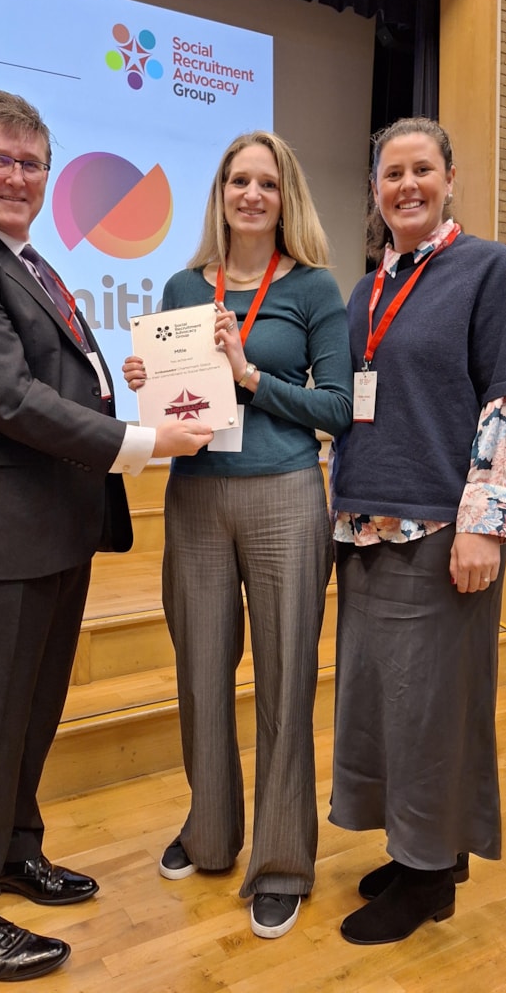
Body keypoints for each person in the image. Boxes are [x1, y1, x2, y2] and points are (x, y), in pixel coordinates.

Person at [0, 89, 212, 982]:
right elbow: (6, 397)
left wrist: (148, 388)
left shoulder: (32, 262)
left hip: (53, 530)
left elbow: (67, 382)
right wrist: (142, 440)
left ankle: (11, 851)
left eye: (31, 162)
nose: (16, 176)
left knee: (29, 717)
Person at [123, 131, 353, 939]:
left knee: (287, 681)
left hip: (287, 495)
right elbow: (176, 399)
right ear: (220, 193)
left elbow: (339, 409)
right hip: (194, 498)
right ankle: (212, 833)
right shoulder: (185, 282)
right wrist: (149, 384)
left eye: (265, 182)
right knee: (201, 676)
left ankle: (283, 861)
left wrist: (252, 377)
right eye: (236, 180)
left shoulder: (317, 289)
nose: (250, 194)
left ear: (286, 195)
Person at [329, 116, 506, 946]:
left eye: (422, 169)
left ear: (449, 177)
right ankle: (424, 851)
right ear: (375, 189)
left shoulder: (489, 270)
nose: (407, 186)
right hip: (364, 530)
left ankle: (425, 882)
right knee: (387, 709)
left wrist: (484, 527)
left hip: (440, 530)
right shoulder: (367, 289)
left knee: (431, 711)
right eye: (392, 174)